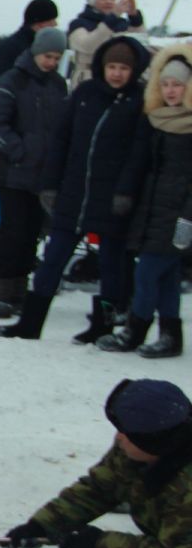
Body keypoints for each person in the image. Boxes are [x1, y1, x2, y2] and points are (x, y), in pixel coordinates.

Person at [0, 34, 151, 343]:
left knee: (110, 266)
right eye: (111, 66)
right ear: (102, 67)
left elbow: (139, 154)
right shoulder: (85, 93)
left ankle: (103, 326)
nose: (116, 73)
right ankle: (30, 322)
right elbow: (61, 141)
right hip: (74, 194)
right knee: (53, 258)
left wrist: (126, 192)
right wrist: (50, 184)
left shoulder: (138, 102)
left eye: (123, 67)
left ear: (133, 71)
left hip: (110, 200)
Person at [3, 378, 192, 548]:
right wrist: (43, 525)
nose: (119, 437)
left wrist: (100, 543)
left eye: (127, 434)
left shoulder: (187, 488)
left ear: (155, 442)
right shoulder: (136, 447)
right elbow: (100, 487)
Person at [98, 47, 192, 356]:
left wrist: (187, 219)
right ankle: (170, 336)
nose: (171, 91)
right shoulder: (156, 119)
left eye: (177, 84)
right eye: (165, 84)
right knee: (166, 276)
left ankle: (134, 331)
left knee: (147, 272)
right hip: (153, 210)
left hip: (179, 215)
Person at [0, 26, 69, 318]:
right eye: (48, 56)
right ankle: (0, 293)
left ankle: (19, 291)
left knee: (31, 234)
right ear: (35, 52)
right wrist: (18, 151)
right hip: (12, 172)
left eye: (57, 57)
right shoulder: (12, 80)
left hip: (42, 175)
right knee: (12, 233)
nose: (51, 62)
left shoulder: (58, 85)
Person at [0, 0, 61, 278]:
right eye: (51, 21)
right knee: (0, 201)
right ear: (38, 23)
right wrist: (18, 144)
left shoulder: (48, 66)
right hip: (10, 146)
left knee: (26, 216)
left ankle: (18, 262)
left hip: (32, 149)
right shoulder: (13, 50)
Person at [67, 0, 140, 89]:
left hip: (117, 79)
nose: (108, 1)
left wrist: (134, 17)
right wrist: (111, 20)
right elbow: (88, 46)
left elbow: (139, 43)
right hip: (88, 79)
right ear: (92, 0)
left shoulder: (120, 23)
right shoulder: (79, 24)